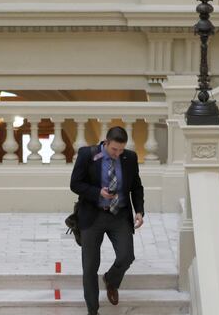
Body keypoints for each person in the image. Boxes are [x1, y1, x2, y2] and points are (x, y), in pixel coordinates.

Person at [69, 126, 145, 315]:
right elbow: (75, 184)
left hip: (119, 214)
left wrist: (140, 211)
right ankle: (93, 310)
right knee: (90, 266)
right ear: (106, 142)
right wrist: (97, 193)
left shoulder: (130, 158)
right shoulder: (87, 155)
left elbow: (136, 187)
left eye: (121, 150)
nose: (118, 154)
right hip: (92, 215)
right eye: (114, 150)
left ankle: (111, 280)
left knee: (127, 256)